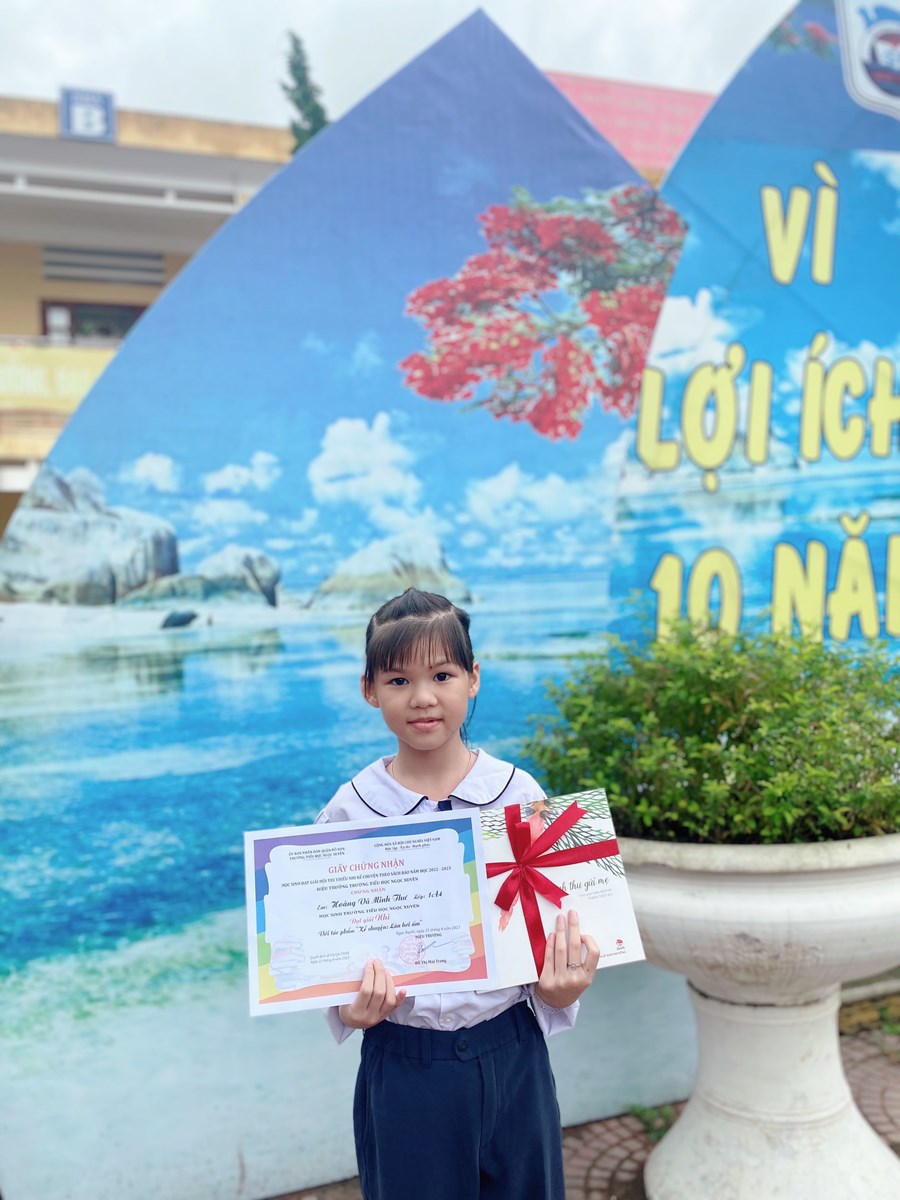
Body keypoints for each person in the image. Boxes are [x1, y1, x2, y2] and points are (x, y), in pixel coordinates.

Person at [316, 587, 600, 1200]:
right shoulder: (350, 813)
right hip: (404, 1063)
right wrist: (349, 1010)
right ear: (369, 689)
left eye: (442, 675)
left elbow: (550, 935)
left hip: (513, 1051)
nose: (422, 697)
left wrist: (561, 988)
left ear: (473, 679)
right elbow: (327, 948)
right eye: (398, 680)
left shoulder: (518, 795)